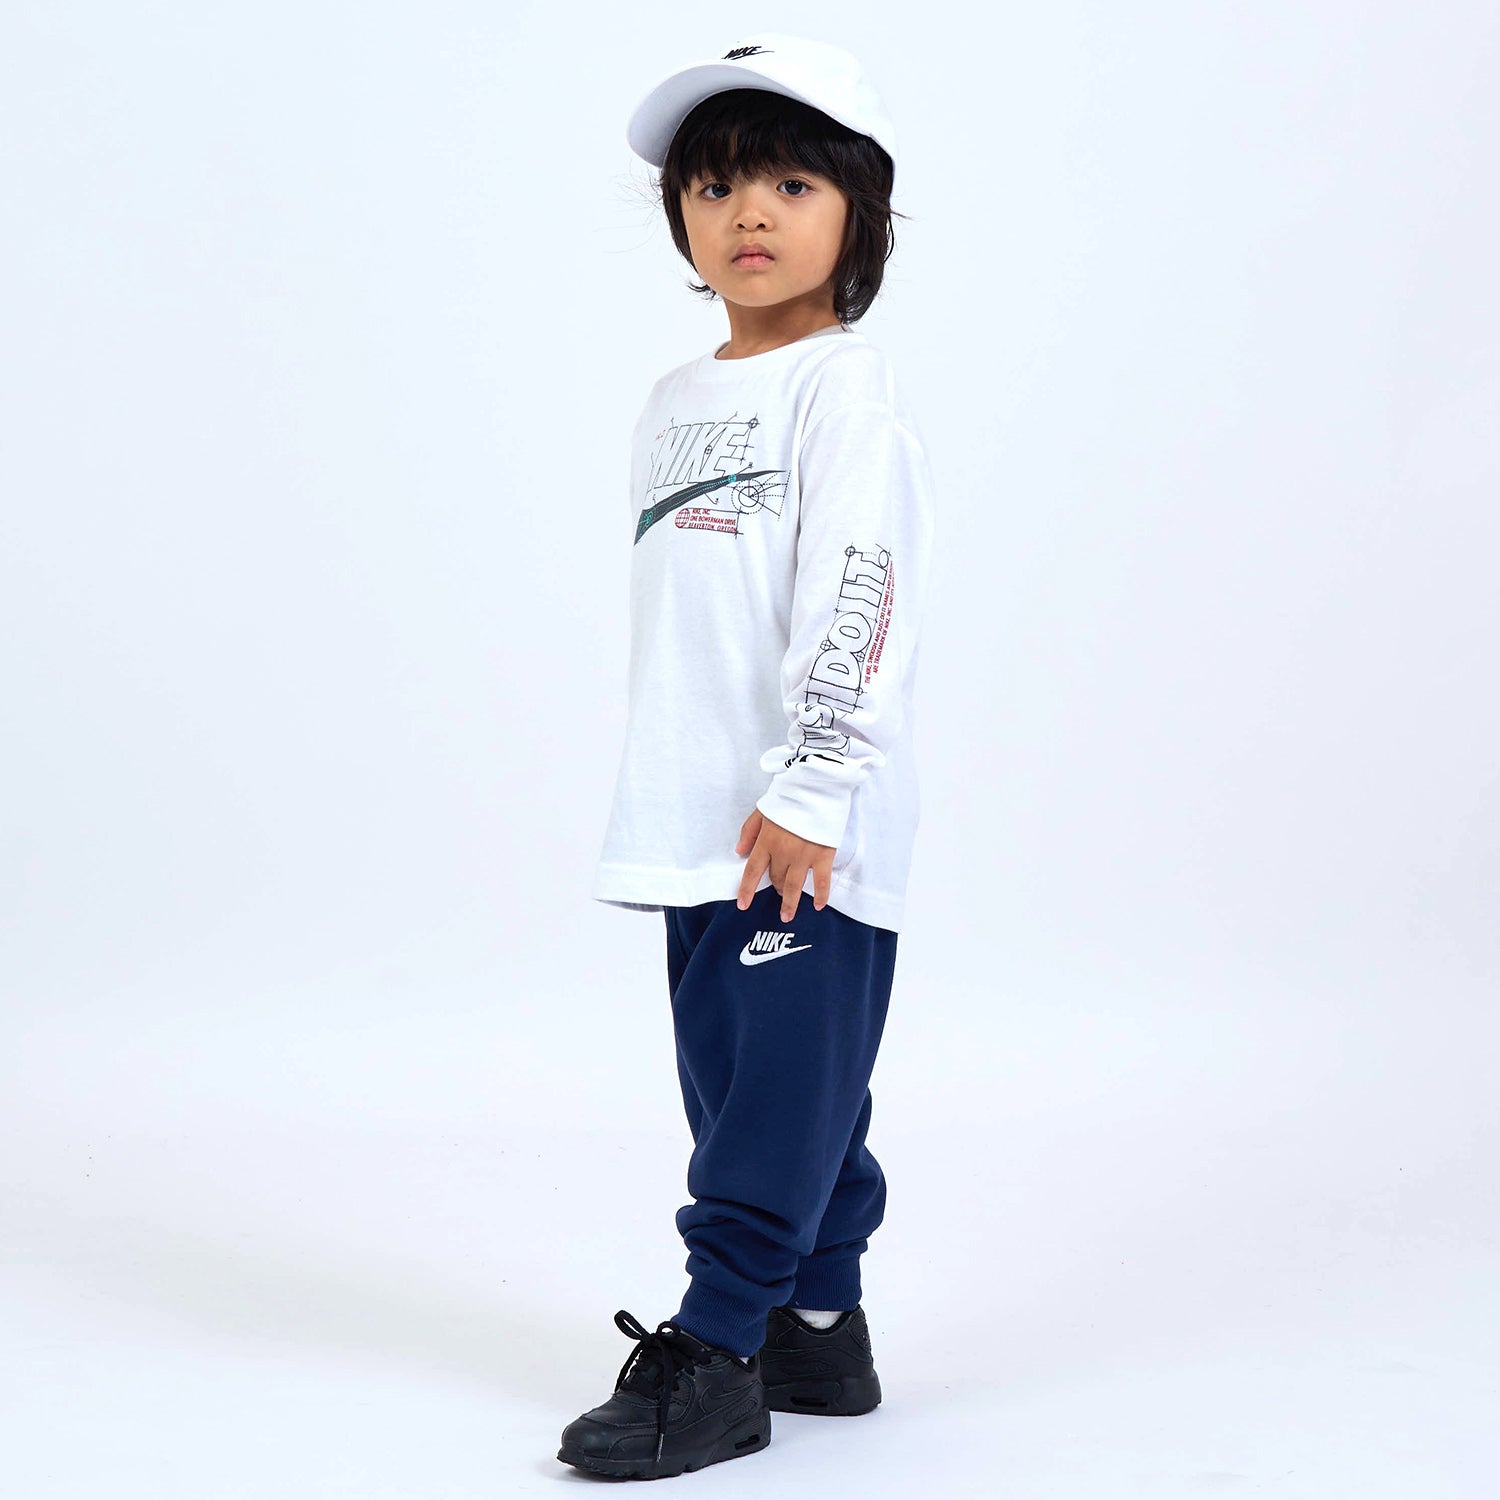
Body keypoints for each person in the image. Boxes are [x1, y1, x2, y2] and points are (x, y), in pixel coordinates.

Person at [558, 32, 937, 1480]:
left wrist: (815, 782)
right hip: (697, 816)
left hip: (801, 820)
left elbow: (860, 588)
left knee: (773, 1097)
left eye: (790, 182)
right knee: (752, 1085)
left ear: (859, 211)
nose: (749, 214)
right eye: (715, 187)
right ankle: (818, 1328)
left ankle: (717, 1347)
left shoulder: (847, 390)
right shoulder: (677, 398)